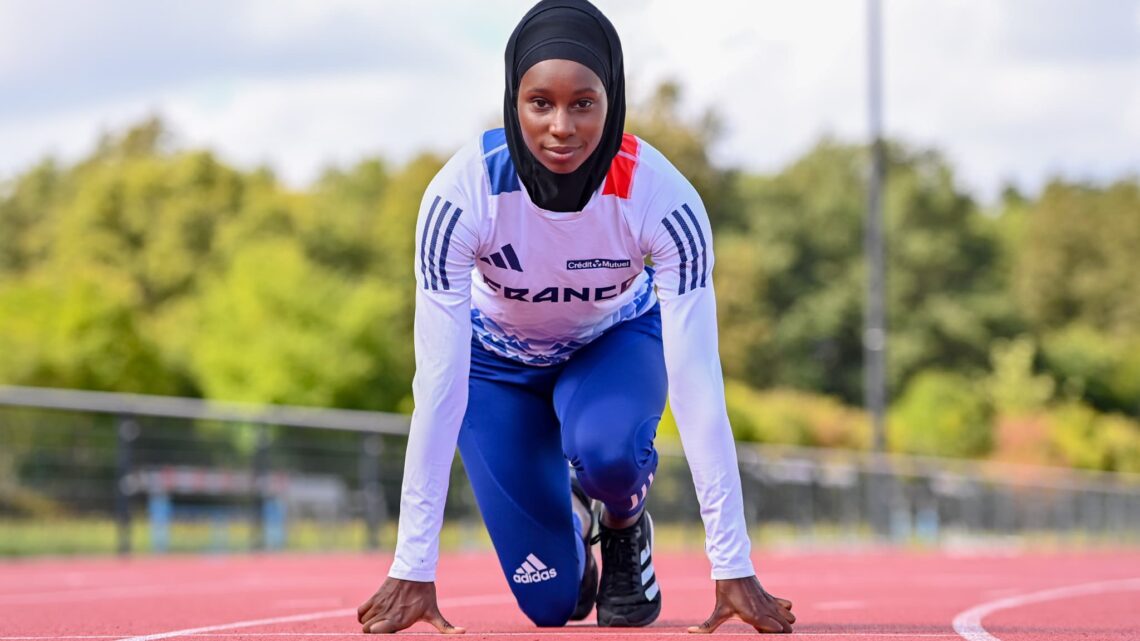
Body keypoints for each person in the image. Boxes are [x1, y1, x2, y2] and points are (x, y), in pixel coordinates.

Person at [357, 0, 795, 634]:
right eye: (540, 103)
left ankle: (620, 522)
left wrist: (731, 562)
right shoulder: (461, 197)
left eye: (583, 104)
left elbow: (698, 383)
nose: (561, 126)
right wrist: (413, 565)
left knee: (608, 453)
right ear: (513, 101)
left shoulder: (661, 198)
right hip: (494, 369)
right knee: (552, 604)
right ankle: (572, 523)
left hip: (611, 343)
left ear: (611, 100)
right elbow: (439, 386)